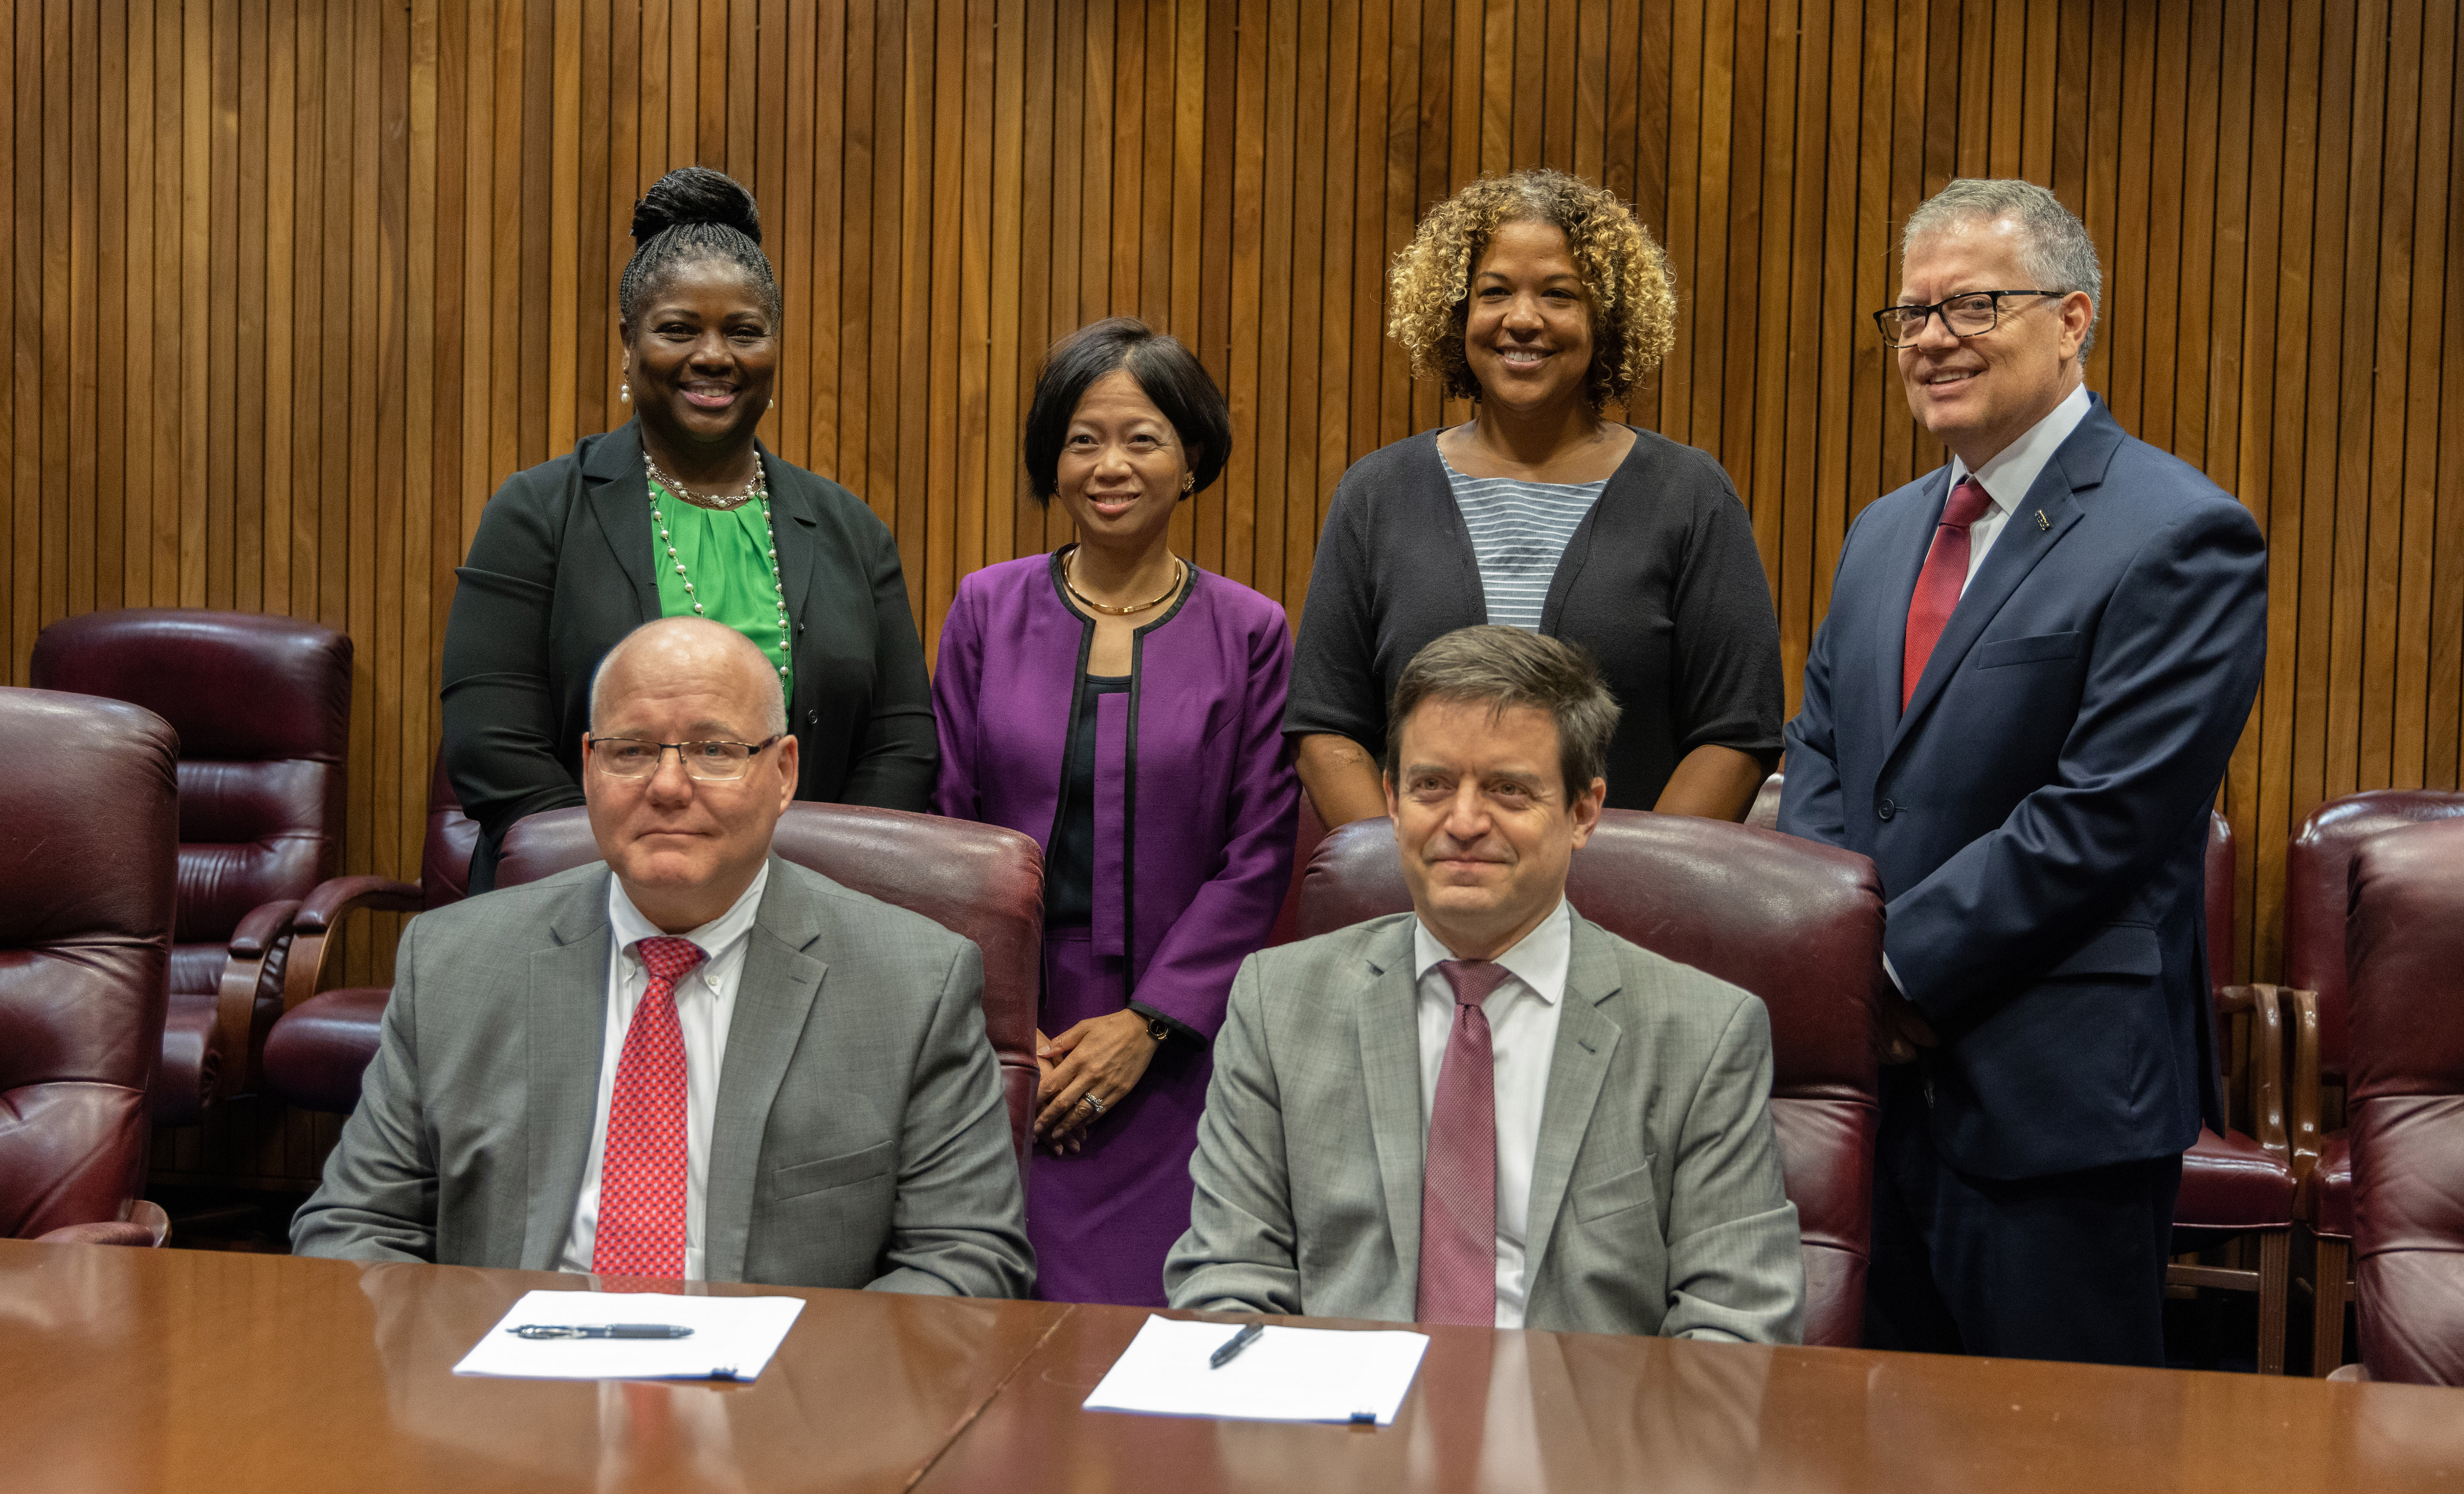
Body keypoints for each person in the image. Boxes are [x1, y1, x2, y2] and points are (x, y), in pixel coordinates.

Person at [1778, 178, 2268, 1366]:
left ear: (2074, 317)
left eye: (1975, 303)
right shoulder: (1882, 529)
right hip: (1867, 1103)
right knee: (1864, 1470)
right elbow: (1827, 756)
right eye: (1910, 314)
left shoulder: (2181, 532)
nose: (1933, 337)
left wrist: (1889, 967)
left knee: (2063, 1483)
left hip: (2054, 1102)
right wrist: (1837, 962)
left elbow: (2107, 814)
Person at [294, 616, 1033, 1297]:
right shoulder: (452, 963)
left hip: (781, 1410)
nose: (669, 787)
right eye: (633, 751)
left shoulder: (913, 982)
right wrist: (458, 1378)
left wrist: (793, 1403)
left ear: (782, 774)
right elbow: (355, 1229)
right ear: (589, 767)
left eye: (713, 750)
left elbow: (964, 1259)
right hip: (508, 1404)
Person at [1168, 625, 1802, 1340]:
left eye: (1507, 789)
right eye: (1432, 785)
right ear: (1392, 799)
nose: (1463, 822)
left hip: (1585, 1438)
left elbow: (1735, 1334)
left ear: (1583, 811)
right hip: (1341, 1436)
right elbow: (1225, 1286)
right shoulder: (1276, 1002)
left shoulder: (1702, 1033)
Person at [932, 318, 1300, 1306]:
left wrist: (1149, 1022)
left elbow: (1262, 850)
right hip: (1007, 1029)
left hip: (1183, 1038)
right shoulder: (984, 608)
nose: (1111, 465)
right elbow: (951, 824)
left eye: (1143, 438)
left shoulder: (1252, 630)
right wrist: (1015, 1024)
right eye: (1083, 438)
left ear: (1191, 460)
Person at [442, 166, 934, 891]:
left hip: (804, 922)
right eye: (678, 329)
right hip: (580, 916)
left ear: (774, 347)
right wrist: (644, 882)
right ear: (628, 342)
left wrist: (802, 894)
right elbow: (493, 748)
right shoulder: (537, 513)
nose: (713, 356)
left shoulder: (851, 531)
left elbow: (902, 746)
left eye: (743, 331)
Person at [1288, 169, 1783, 830]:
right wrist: (1405, 873)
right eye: (1494, 293)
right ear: (1457, 314)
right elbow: (1326, 723)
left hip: (1625, 913)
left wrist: (1619, 890)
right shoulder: (1375, 494)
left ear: (1604, 318)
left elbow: (1738, 728)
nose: (1522, 320)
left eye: (1559, 294)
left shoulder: (1690, 496)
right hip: (1418, 906)